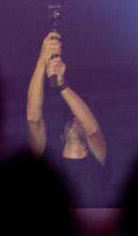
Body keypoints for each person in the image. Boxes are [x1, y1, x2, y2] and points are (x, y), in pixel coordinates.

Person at [27, 31, 108, 206]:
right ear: (61, 135)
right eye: (70, 117)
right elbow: (33, 119)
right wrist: (42, 61)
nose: (74, 119)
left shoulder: (98, 159)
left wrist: (62, 85)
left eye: (78, 117)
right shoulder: (48, 164)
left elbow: (93, 131)